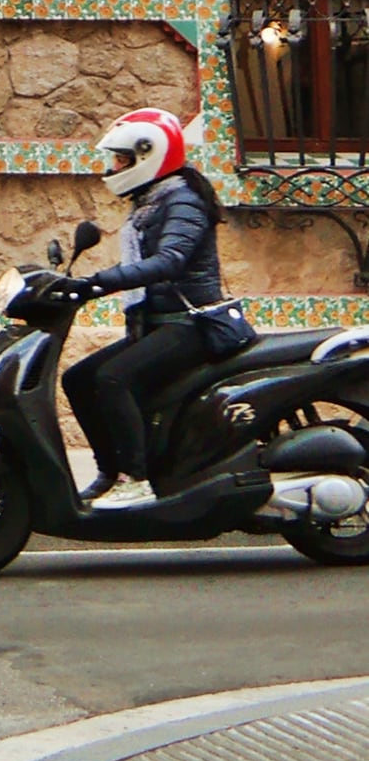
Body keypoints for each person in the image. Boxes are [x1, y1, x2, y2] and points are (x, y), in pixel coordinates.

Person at [59, 107, 244, 509]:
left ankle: (136, 479)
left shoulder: (183, 201)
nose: (113, 168)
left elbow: (170, 261)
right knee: (78, 378)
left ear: (149, 156)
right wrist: (78, 285)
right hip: (156, 324)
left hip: (190, 325)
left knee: (112, 378)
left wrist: (104, 280)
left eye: (121, 160)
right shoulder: (151, 200)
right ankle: (110, 472)